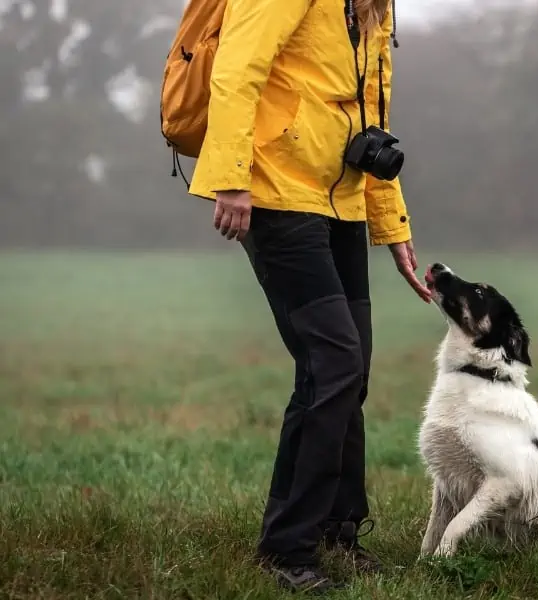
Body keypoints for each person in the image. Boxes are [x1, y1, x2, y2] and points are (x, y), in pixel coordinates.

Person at [186, 0, 431, 593]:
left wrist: (391, 227)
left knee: (351, 370)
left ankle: (337, 530)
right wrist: (233, 179)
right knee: (333, 363)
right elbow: (237, 70)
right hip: (272, 193)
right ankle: (286, 547)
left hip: (340, 200)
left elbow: (370, 117)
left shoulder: (373, 8)